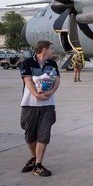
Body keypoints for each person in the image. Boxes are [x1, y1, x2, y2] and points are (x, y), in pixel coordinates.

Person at [19, 40, 60, 177]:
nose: (53, 51)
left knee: (44, 134)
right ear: (44, 50)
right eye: (51, 48)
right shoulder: (27, 63)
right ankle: (34, 158)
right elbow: (28, 81)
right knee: (30, 136)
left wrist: (51, 92)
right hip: (30, 105)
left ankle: (38, 165)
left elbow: (57, 80)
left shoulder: (52, 64)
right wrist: (37, 95)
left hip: (47, 105)